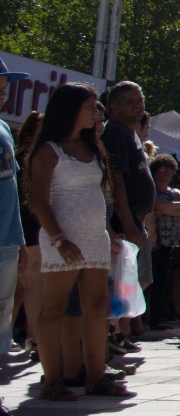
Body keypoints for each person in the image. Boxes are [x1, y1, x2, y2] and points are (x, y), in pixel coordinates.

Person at [25, 83, 125, 399]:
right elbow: (39, 200)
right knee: (54, 306)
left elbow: (97, 195)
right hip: (62, 239)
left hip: (93, 237)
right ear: (70, 110)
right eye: (91, 106)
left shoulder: (92, 148)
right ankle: (51, 380)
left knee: (95, 305)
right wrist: (58, 239)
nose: (97, 113)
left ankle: (96, 376)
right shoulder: (48, 150)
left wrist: (108, 232)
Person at [102, 81, 152, 349]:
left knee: (135, 280)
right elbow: (116, 180)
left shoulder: (130, 133)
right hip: (123, 222)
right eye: (130, 100)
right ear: (113, 107)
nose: (138, 104)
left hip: (136, 219)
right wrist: (129, 223)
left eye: (140, 99)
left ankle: (119, 333)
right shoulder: (115, 133)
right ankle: (110, 334)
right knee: (120, 281)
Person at [0, 59, 29, 416]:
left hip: (6, 238)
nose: (4, 90)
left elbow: (12, 189)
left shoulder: (5, 127)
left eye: (5, 85)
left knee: (2, 319)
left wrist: (20, 240)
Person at [148, 155, 180, 326]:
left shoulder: (176, 192)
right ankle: (147, 315)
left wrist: (166, 208)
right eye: (163, 170)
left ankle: (158, 315)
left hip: (172, 243)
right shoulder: (151, 190)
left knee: (164, 281)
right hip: (154, 241)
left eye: (169, 171)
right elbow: (156, 206)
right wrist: (171, 208)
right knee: (150, 279)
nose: (166, 174)